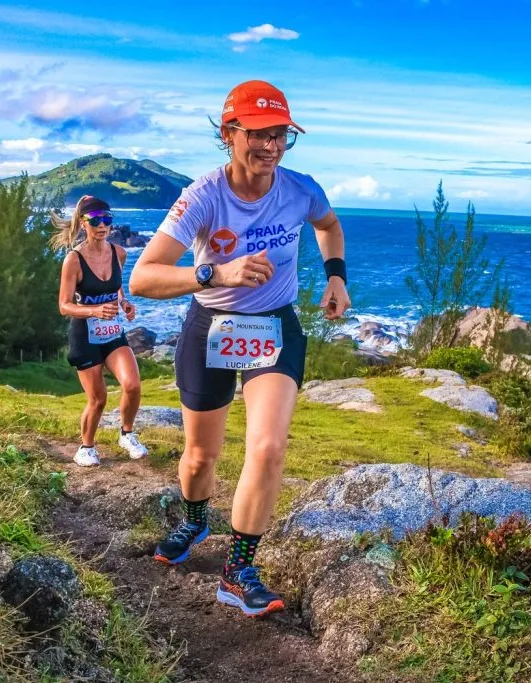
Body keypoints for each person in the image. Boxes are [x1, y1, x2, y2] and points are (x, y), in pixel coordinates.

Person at [129, 80, 351, 617]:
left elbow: (328, 224)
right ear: (230, 134)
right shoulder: (203, 195)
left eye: (280, 136)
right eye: (259, 134)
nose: (271, 146)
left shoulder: (301, 189)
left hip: (274, 326)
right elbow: (143, 277)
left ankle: (238, 569)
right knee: (200, 455)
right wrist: (212, 272)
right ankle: (194, 520)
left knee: (268, 447)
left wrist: (336, 277)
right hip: (211, 325)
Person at [52, 195, 148, 467]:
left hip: (112, 332)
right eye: (96, 221)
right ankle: (86, 447)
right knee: (98, 399)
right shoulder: (73, 260)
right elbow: (64, 305)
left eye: (107, 220)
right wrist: (94, 311)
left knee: (132, 384)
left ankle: (127, 434)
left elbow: (117, 289)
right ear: (84, 223)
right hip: (85, 336)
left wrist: (124, 303)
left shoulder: (119, 253)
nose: (102, 225)